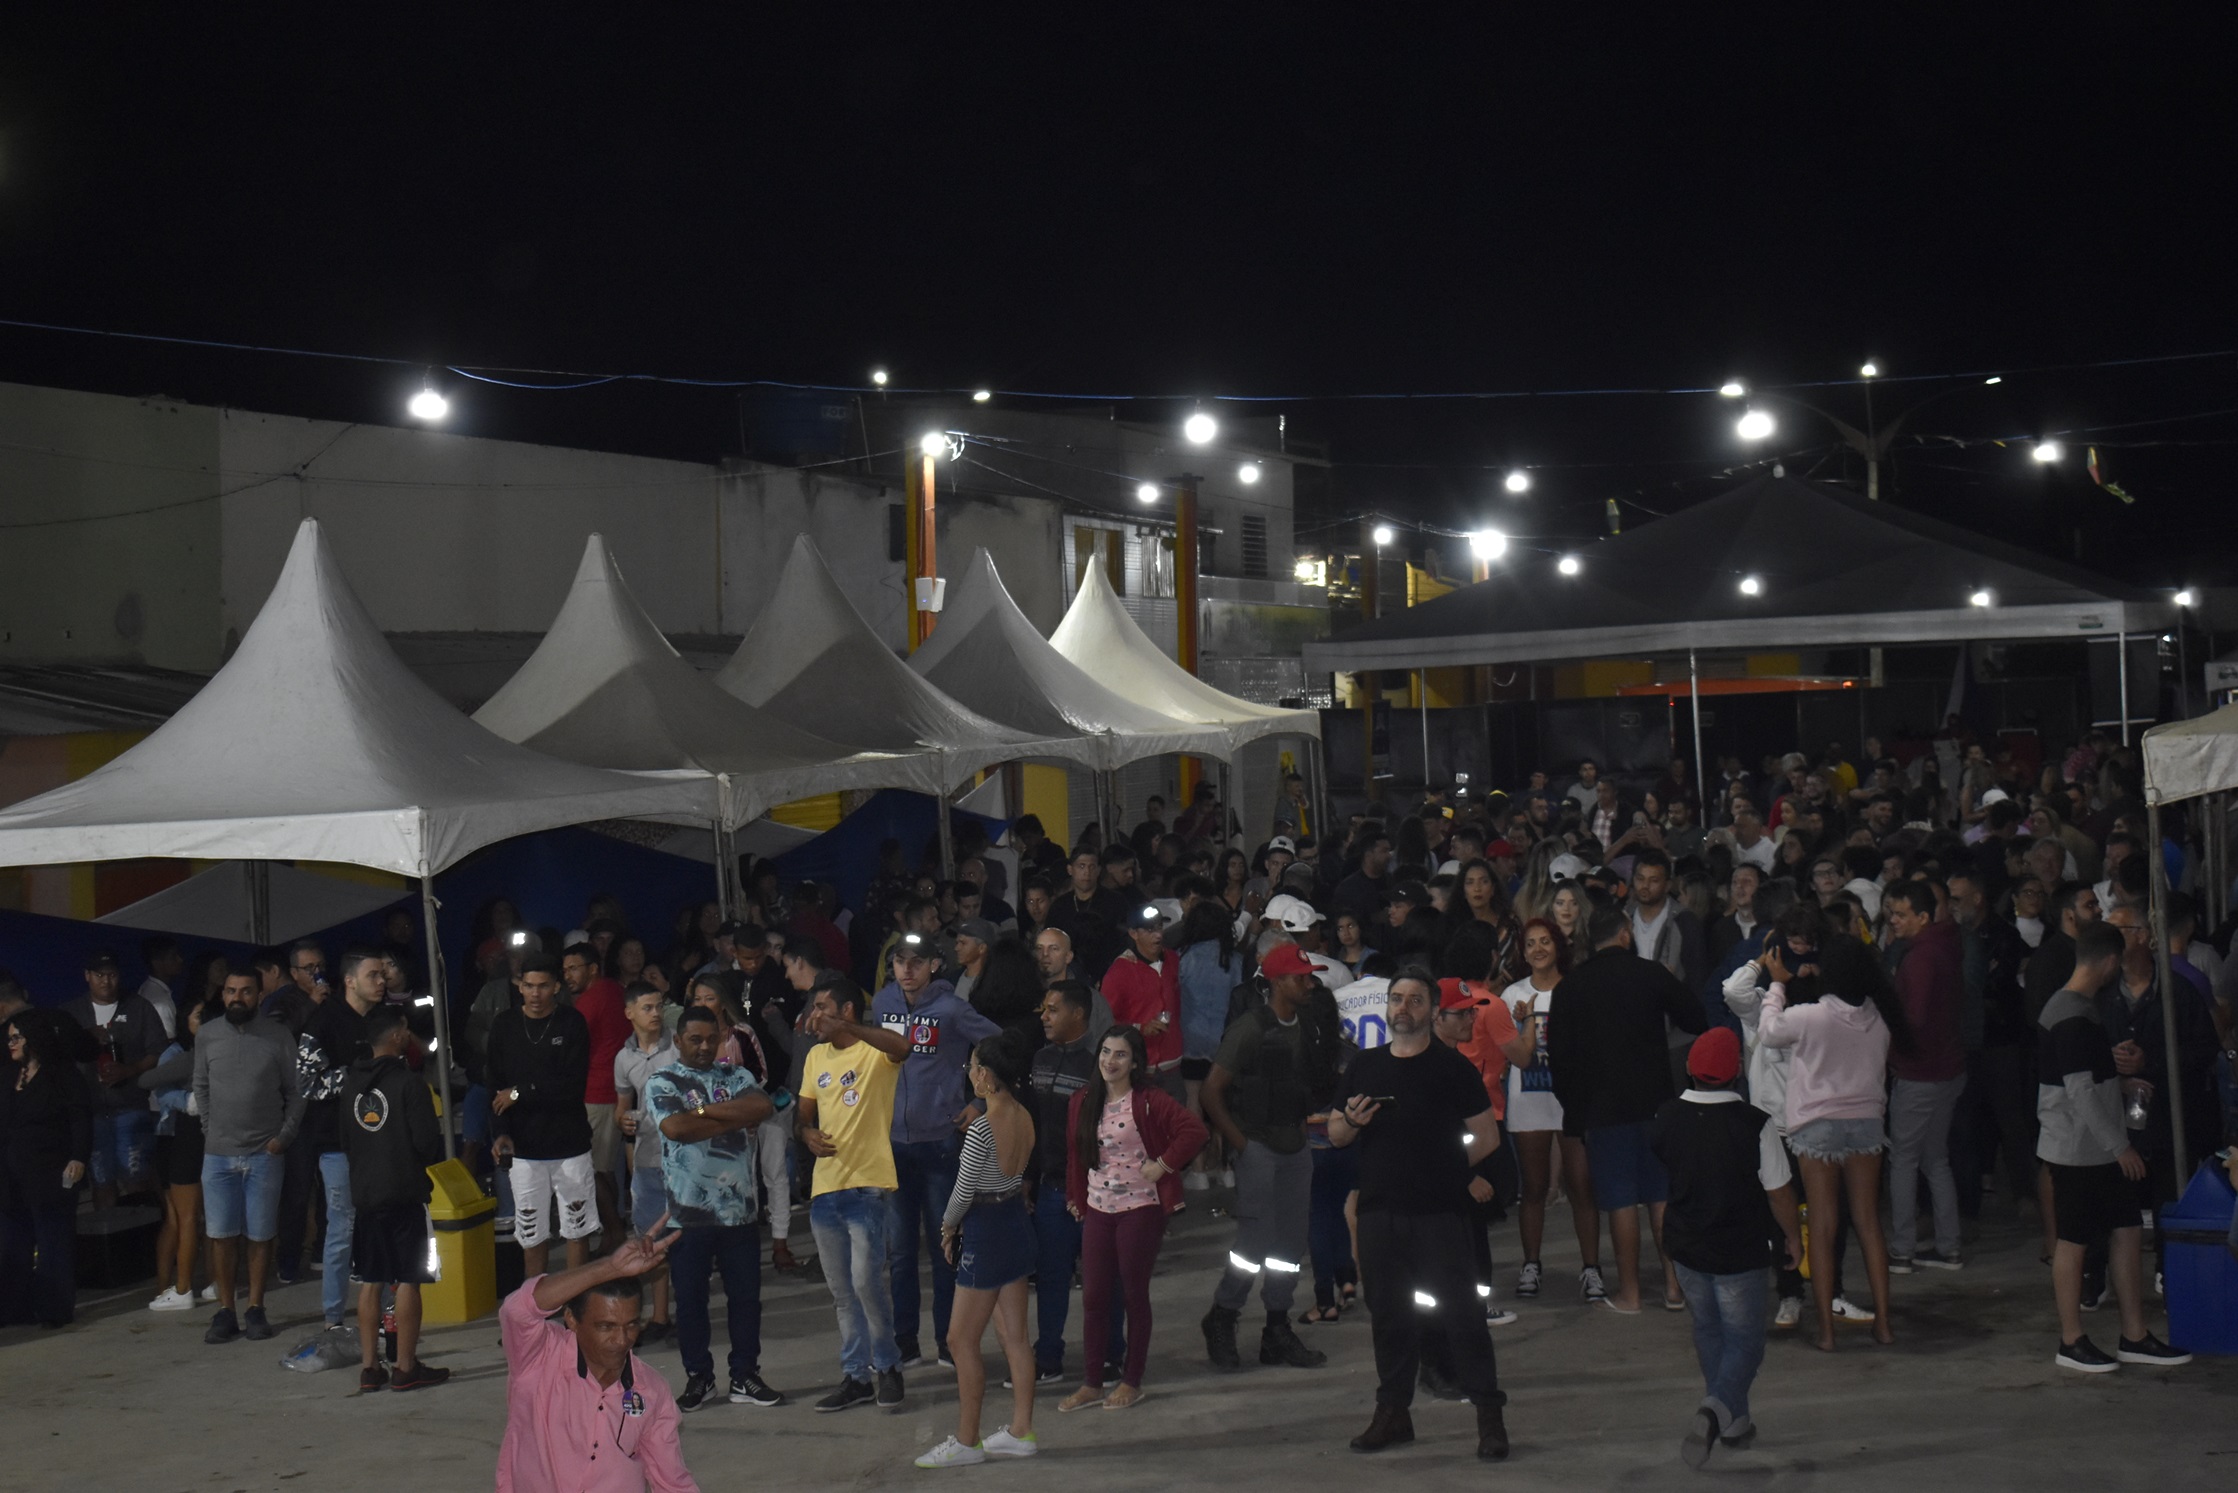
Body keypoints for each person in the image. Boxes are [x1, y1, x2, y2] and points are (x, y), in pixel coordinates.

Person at [1328, 969, 1511, 1463]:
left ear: (1431, 1010)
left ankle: (1489, 1418)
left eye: (1414, 1000)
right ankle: (1393, 1414)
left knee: (1463, 1316)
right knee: (1389, 1317)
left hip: (1440, 1214)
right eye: (1396, 999)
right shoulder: (1365, 1065)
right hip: (1379, 1213)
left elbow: (1487, 1137)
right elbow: (1337, 1134)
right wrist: (1351, 1121)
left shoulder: (1452, 1069)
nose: (1403, 1007)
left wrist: (1445, 1168)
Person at [2037, 922, 2191, 1373]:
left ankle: (2134, 1334)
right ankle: (2071, 1340)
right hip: (2077, 1149)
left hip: (2095, 1147)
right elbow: (2079, 1090)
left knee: (2126, 1230)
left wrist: (2117, 1082)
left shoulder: (2077, 1007)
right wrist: (2121, 1146)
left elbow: (2081, 1077)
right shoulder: (2071, 1013)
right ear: (2108, 962)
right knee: (2073, 1242)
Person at [1650, 1027, 1802, 1467]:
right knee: (1746, 1341)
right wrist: (1792, 1237)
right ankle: (1715, 1410)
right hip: (1739, 1250)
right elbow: (1778, 1193)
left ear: (1690, 1069)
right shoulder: (1755, 1124)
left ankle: (1735, 1422)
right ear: (1736, 1071)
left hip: (1686, 1247)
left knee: (1708, 1329)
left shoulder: (1666, 1117)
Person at [1546, 904, 1706, 1313]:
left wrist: (1576, 1111)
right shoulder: (1650, 973)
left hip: (1603, 1109)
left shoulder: (1570, 987)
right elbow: (1695, 1017)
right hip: (1656, 1102)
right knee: (1661, 1197)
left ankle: (1630, 1294)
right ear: (1625, 933)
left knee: (1620, 1201)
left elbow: (1559, 1060)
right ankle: (1674, 1287)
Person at [1758, 936, 1903, 1350]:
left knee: (1822, 1227)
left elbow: (1768, 1032)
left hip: (1817, 1125)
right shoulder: (1881, 1016)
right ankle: (1884, 1324)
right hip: (1868, 1123)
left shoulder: (1812, 1015)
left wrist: (1777, 984)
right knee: (1868, 1222)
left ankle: (1826, 1331)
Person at [1200, 942, 1335, 1373]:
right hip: (1258, 1145)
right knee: (1254, 1243)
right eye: (1301, 977)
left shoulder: (1308, 1023)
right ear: (1277, 982)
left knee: (1290, 1244)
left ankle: (1277, 1328)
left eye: (1310, 977)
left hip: (1295, 1145)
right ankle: (1223, 1315)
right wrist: (1241, 1143)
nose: (1309, 984)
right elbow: (1211, 1091)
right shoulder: (1251, 1028)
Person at [871, 930, 1003, 1369]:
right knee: (900, 1252)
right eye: (899, 961)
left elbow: (999, 1045)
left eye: (916, 961)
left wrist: (979, 1101)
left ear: (934, 965)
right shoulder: (882, 1005)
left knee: (945, 1246)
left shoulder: (951, 1009)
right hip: (893, 1143)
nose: (907, 969)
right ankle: (905, 1341)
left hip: (941, 1143)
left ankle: (949, 1340)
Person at [1059, 1023, 1207, 1412]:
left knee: (1132, 1294)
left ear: (1135, 1062)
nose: (1111, 1061)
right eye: (1106, 1052)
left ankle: (1132, 1380)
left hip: (1140, 1209)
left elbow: (1194, 1131)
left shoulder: (1149, 1100)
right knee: (1094, 1296)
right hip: (1098, 1209)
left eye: (1121, 1054)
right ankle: (1092, 1383)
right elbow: (1075, 1153)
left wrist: (1164, 1165)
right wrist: (1076, 1196)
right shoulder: (1082, 1100)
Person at [645, 1006, 786, 1411]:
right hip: (688, 1215)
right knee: (691, 1302)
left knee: (746, 1300)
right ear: (678, 1041)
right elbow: (676, 1128)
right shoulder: (662, 1080)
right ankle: (699, 1378)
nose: (705, 1046)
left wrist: (702, 1114)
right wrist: (730, 1118)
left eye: (712, 1039)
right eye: (695, 1040)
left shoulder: (737, 1076)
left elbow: (761, 1107)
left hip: (739, 1212)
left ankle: (745, 1375)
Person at [913, 1033, 1043, 1467]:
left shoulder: (983, 1128)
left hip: (987, 1232)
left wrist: (948, 1227)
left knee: (960, 1340)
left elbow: (963, 1191)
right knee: (1015, 1336)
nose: (969, 1073)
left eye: (972, 1066)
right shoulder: (1023, 1115)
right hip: (1016, 1222)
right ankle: (1022, 1431)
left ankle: (967, 1442)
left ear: (985, 1075)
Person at [495, 1230, 695, 1492]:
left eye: (631, 1325)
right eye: (606, 1326)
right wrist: (609, 1267)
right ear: (571, 1320)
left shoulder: (652, 1390)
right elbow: (517, 1310)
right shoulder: (539, 1357)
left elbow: (672, 1481)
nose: (621, 1340)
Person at [798, 973, 912, 1412]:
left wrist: (848, 1029)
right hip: (826, 1189)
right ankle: (856, 1377)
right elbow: (803, 1114)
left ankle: (888, 1366)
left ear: (846, 1010)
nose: (814, 1016)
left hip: (868, 1186)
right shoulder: (815, 1057)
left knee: (867, 1284)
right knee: (843, 1292)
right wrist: (806, 1133)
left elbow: (902, 1047)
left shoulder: (873, 1050)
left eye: (822, 1008)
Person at [341, 1005, 449, 1392]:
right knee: (408, 1280)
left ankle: (370, 1368)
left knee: (370, 1280)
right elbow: (426, 1142)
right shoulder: (409, 1083)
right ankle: (405, 1366)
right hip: (404, 1193)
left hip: (366, 1196)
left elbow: (346, 1141)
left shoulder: (351, 1085)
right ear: (397, 1036)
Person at [194, 968, 303, 1345]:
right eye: (230, 991)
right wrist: (209, 1128)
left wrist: (283, 1138)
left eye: (245, 991)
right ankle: (226, 1310)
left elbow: (297, 1091)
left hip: (264, 1153)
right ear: (222, 994)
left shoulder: (278, 1035)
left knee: (260, 1234)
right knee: (221, 1235)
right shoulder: (207, 1035)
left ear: (259, 995)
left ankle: (256, 1307)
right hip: (218, 1154)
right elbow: (200, 1085)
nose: (236, 998)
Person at [1501, 917, 1601, 1302]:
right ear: (1523, 953)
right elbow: (1507, 1051)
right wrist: (1520, 1022)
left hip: (1570, 1099)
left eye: (1545, 941)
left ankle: (1591, 1268)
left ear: (1558, 946)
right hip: (1528, 1098)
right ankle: (1531, 1264)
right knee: (1534, 1187)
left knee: (1582, 1185)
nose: (1538, 949)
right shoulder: (1513, 994)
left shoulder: (1577, 988)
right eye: (1530, 943)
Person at [488, 954, 598, 1276]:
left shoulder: (571, 1023)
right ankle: (535, 1301)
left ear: (557, 987)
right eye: (529, 986)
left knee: (577, 1229)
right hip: (524, 1149)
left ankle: (574, 1298)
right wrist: (500, 1132)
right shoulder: (504, 1025)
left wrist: (520, 1093)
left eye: (543, 986)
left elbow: (572, 1085)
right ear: (519, 986)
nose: (535, 993)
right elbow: (495, 1085)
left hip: (570, 1145)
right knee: (531, 1233)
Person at [1880, 880, 1969, 1272]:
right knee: (1935, 1159)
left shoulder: (1920, 957)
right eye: (1891, 913)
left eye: (1901, 914)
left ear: (1922, 916)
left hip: (1920, 1074)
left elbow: (1912, 1019)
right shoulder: (1946, 946)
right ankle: (1949, 1247)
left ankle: (1902, 1250)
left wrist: (1892, 1053)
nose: (1893, 920)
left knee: (1903, 1160)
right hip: (1948, 1069)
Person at [297, 945, 385, 1335]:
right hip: (337, 1144)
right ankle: (333, 1319)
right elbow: (305, 1082)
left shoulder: (382, 1019)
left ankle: (385, 1313)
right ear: (349, 981)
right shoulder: (324, 1021)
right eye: (373, 975)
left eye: (383, 975)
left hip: (379, 1141)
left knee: (379, 1223)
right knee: (343, 1226)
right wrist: (355, 1074)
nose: (381, 981)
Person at [1025, 979, 1103, 1384]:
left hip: (1094, 1194)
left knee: (1101, 1281)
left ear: (1078, 1013)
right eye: (1044, 1009)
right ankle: (1048, 1356)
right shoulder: (1039, 1059)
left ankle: (1108, 1356)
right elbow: (1033, 1125)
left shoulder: (1097, 1065)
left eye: (1053, 1009)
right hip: (1051, 1189)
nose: (1045, 1016)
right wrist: (1028, 1178)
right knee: (1051, 1278)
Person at [0, 1011, 93, 1327]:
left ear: (34, 1038)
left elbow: (80, 1118)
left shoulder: (61, 1075)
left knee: (53, 1241)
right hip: (12, 1178)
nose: (11, 1044)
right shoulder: (9, 1076)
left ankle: (54, 1309)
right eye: (9, 1038)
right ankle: (14, 1308)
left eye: (16, 1037)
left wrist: (78, 1157)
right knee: (14, 1243)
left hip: (49, 1173)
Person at [61, 949, 164, 1210]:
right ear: (87, 976)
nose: (106, 981)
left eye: (112, 975)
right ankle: (108, 1235)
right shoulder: (71, 1012)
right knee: (102, 1182)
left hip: (131, 1106)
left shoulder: (139, 1007)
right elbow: (57, 1057)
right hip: (90, 1111)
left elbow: (158, 1051)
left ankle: (142, 1232)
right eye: (99, 975)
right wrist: (85, 1037)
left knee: (136, 1179)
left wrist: (130, 1069)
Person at [613, 981, 679, 1342]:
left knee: (689, 1239)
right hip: (647, 1158)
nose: (656, 1014)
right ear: (629, 1013)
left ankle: (690, 1312)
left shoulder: (680, 1046)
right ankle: (659, 1316)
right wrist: (623, 1122)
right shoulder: (624, 1059)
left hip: (684, 1157)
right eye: (647, 1008)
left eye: (659, 1007)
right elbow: (623, 1108)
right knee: (651, 1240)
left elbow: (701, 1098)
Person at [563, 941, 633, 1245]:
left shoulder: (591, 1000)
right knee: (603, 1169)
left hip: (598, 1091)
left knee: (592, 1170)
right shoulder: (616, 990)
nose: (568, 975)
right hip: (615, 1089)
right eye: (565, 970)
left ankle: (614, 1232)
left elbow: (572, 1045)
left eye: (573, 968)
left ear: (592, 969)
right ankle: (613, 1234)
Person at [1100, 902, 1184, 1100]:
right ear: (1133, 933)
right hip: (1139, 1068)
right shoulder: (1120, 972)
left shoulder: (1173, 960)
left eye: (1159, 928)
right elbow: (1104, 1021)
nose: (1158, 935)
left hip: (1172, 1065)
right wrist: (1140, 1028)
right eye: (1149, 930)